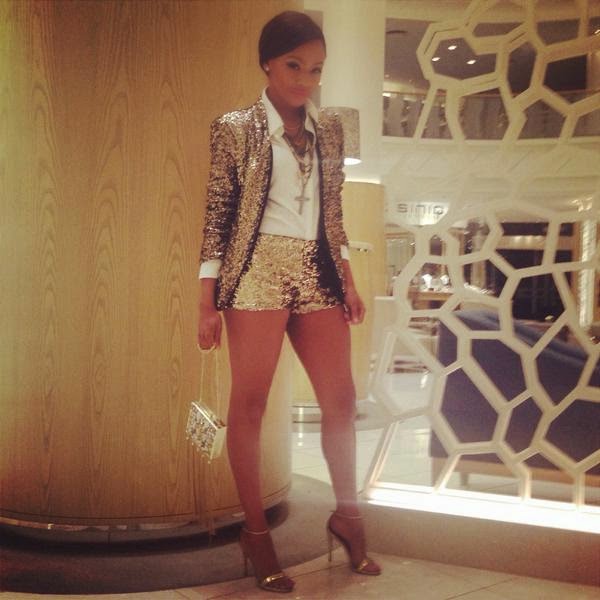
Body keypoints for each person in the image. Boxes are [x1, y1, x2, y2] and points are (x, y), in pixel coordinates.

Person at [197, 11, 381, 594]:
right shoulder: (235, 127)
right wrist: (206, 301)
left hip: (317, 268)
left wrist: (347, 278)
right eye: (295, 65)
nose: (305, 79)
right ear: (268, 63)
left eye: (316, 69)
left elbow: (333, 213)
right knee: (250, 403)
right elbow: (218, 216)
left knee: (341, 401)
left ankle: (347, 515)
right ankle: (256, 533)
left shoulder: (330, 130)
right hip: (255, 269)